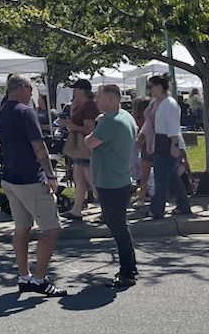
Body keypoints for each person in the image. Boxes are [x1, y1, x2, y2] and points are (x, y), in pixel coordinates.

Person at [0, 74, 67, 297]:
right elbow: (39, 145)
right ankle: (40, 279)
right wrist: (51, 174)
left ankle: (24, 276)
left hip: (10, 177)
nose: (32, 93)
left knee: (22, 227)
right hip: (30, 178)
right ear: (22, 88)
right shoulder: (25, 112)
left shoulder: (2, 113)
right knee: (51, 228)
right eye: (31, 88)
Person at [85, 83, 139, 287]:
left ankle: (128, 273)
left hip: (111, 182)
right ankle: (130, 268)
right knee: (118, 225)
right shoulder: (125, 116)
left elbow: (89, 143)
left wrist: (96, 126)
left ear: (111, 99)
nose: (96, 100)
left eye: (99, 97)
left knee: (118, 228)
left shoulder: (110, 122)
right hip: (120, 178)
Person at [146, 74, 193, 219]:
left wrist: (174, 145)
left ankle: (157, 209)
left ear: (160, 87)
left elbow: (173, 127)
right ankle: (183, 205)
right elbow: (149, 122)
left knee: (161, 178)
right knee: (172, 178)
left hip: (168, 141)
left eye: (150, 87)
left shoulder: (170, 104)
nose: (149, 90)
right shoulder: (155, 103)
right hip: (158, 141)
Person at [59, 78, 99, 220]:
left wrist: (69, 125)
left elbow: (88, 129)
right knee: (79, 179)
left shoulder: (89, 106)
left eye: (76, 89)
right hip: (79, 147)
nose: (74, 91)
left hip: (84, 146)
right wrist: (73, 108)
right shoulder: (81, 105)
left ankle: (107, 207)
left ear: (82, 90)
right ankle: (76, 209)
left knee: (91, 180)